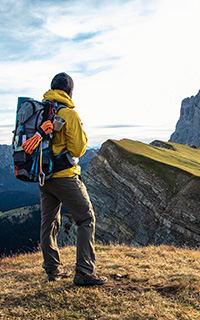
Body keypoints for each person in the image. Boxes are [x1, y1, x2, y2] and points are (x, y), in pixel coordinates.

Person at [37, 72, 106, 285]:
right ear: (69, 91)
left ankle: (52, 269)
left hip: (42, 176)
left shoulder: (40, 112)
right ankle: (84, 272)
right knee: (86, 218)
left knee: (48, 223)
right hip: (64, 176)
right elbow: (78, 149)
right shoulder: (69, 114)